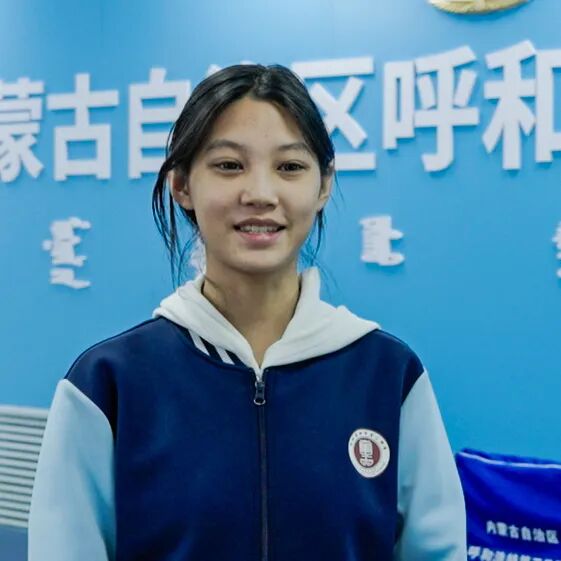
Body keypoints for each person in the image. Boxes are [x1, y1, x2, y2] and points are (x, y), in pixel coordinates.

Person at [28, 64, 466, 561]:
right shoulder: (109, 383)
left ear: (324, 185)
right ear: (182, 185)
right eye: (229, 165)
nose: (260, 194)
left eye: (290, 167)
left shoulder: (388, 375)